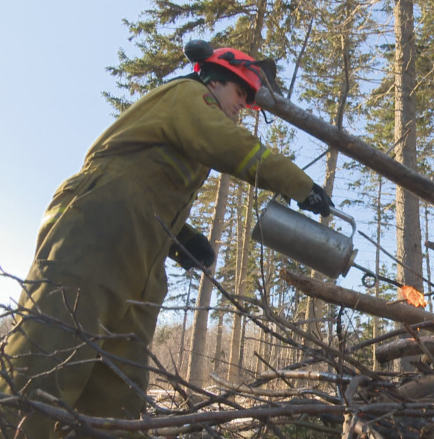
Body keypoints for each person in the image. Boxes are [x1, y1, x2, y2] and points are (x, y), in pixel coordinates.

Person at [0, 41, 333, 437]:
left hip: (138, 251)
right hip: (93, 230)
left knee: (119, 391)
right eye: (240, 94)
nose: (242, 107)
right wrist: (298, 184)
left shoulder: (188, 133)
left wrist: (180, 239)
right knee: (46, 360)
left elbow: (148, 192)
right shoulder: (187, 95)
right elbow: (224, 144)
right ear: (216, 79)